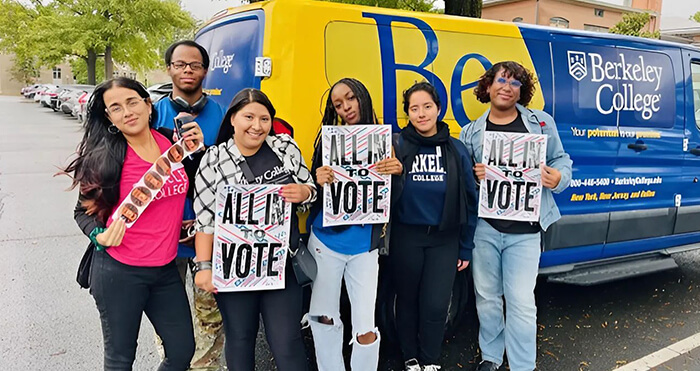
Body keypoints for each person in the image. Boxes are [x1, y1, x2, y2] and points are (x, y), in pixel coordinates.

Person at [64, 77, 205, 370]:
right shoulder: (106, 156)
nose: (127, 112)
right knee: (120, 359)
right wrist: (98, 236)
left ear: (147, 103)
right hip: (119, 272)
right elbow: (82, 212)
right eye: (116, 108)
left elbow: (187, 189)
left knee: (181, 351)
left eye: (132, 102)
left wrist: (199, 152)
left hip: (165, 270)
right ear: (109, 117)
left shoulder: (172, 143)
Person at [459, 61, 572, 371]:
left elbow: (562, 160)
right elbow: (464, 185)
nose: (506, 87)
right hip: (485, 229)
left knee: (521, 302)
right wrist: (474, 175)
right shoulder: (471, 132)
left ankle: (523, 365)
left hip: (525, 231)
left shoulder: (541, 123)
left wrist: (557, 178)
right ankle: (491, 358)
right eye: (500, 80)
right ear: (487, 87)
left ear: (522, 91)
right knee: (487, 297)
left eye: (514, 83)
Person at [193, 88, 316, 371]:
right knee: (240, 338)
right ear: (233, 119)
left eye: (264, 118)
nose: (257, 126)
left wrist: (304, 191)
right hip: (234, 266)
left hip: (280, 264)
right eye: (249, 117)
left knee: (287, 342)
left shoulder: (285, 149)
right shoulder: (214, 159)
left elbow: (311, 191)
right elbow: (205, 218)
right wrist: (203, 266)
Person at [306, 78, 403, 371]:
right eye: (338, 104)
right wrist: (317, 180)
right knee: (323, 318)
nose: (346, 107)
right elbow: (314, 196)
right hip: (325, 242)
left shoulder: (389, 142)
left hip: (364, 247)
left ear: (363, 95)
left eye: (350, 98)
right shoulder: (329, 140)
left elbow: (391, 202)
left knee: (365, 328)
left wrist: (397, 173)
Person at [391, 82, 478, 371]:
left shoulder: (456, 149)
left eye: (427, 106)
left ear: (438, 109)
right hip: (407, 236)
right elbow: (380, 192)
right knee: (407, 300)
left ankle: (430, 359)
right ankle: (410, 357)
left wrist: (465, 245)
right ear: (407, 114)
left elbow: (470, 198)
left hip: (444, 239)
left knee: (436, 305)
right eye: (414, 108)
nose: (421, 113)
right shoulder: (396, 146)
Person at [153, 40, 226, 370]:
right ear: (169, 68)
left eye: (194, 65)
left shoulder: (223, 114)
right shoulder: (153, 113)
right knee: (167, 317)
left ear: (205, 71)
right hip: (163, 232)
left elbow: (231, 168)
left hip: (208, 232)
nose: (187, 70)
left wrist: (202, 149)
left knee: (209, 317)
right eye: (180, 64)